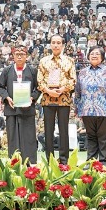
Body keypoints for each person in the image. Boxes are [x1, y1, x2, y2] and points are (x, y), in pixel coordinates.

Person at [75, 47, 106, 165]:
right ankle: (90, 162)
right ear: (88, 56)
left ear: (102, 57)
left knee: (103, 137)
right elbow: (77, 93)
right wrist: (78, 109)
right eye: (92, 53)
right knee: (90, 137)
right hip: (87, 110)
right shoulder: (82, 72)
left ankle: (104, 162)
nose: (94, 55)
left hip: (105, 110)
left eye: (97, 54)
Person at [37, 35, 76, 164]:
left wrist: (63, 89)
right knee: (48, 130)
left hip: (64, 99)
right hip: (48, 99)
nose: (56, 45)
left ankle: (64, 160)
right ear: (50, 45)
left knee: (63, 130)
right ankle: (50, 160)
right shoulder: (44, 61)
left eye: (58, 43)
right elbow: (39, 81)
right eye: (53, 42)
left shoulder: (69, 61)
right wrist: (48, 91)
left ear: (63, 45)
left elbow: (73, 80)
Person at [0, 46, 41, 164]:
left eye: (22, 54)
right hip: (11, 108)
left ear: (26, 56)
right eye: (17, 54)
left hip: (28, 108)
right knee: (13, 136)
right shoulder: (7, 70)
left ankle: (29, 162)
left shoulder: (33, 70)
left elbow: (38, 88)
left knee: (28, 136)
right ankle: (15, 162)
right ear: (13, 56)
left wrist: (32, 97)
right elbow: (1, 87)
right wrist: (7, 97)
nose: (19, 56)